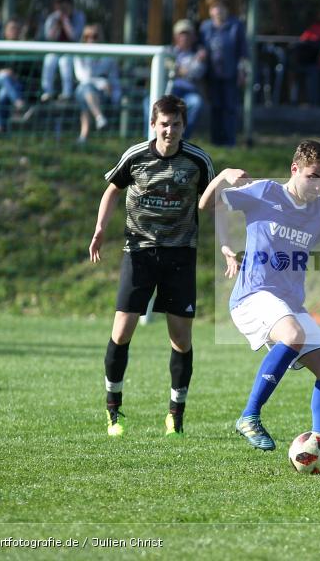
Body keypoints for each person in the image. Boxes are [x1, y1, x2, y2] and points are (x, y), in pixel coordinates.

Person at [199, 140, 320, 475]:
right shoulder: (265, 192)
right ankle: (249, 416)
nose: (319, 185)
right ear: (294, 169)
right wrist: (223, 175)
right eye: (313, 176)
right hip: (252, 296)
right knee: (292, 334)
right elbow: (207, 204)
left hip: (289, 303)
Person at [89, 94, 217, 438]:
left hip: (180, 254)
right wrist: (100, 229)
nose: (170, 131)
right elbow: (112, 189)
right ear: (153, 125)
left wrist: (228, 246)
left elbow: (212, 203)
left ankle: (176, 413)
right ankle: (113, 410)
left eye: (176, 125)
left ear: (183, 126)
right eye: (164, 124)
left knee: (180, 339)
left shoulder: (197, 160)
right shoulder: (136, 156)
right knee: (122, 330)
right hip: (139, 251)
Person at [144, 19, 206, 140]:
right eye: (181, 34)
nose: (184, 38)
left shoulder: (199, 54)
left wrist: (178, 69)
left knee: (196, 102)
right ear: (176, 36)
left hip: (187, 93)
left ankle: (182, 139)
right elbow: (162, 69)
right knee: (148, 102)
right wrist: (184, 69)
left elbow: (197, 72)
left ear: (193, 37)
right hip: (167, 92)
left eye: (187, 34)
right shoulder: (167, 51)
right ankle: (152, 138)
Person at [199, 0, 247, 146]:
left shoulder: (236, 26)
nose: (217, 10)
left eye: (220, 7)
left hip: (231, 74)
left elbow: (243, 52)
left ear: (226, 8)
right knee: (216, 108)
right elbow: (200, 47)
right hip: (212, 75)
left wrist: (242, 71)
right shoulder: (205, 27)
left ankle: (229, 141)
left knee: (230, 108)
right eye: (214, 7)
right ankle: (216, 141)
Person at [73, 23, 121, 144]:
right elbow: (82, 76)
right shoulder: (79, 53)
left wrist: (115, 96)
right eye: (87, 36)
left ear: (100, 37)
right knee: (86, 89)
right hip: (85, 88)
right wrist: (101, 82)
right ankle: (99, 117)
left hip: (103, 93)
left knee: (86, 94)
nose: (90, 39)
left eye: (94, 36)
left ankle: (84, 136)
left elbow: (114, 78)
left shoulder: (109, 56)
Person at [0, 18, 29, 134]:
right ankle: (18, 102)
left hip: (13, 86)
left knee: (4, 92)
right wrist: (0, 72)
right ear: (5, 30)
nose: (15, 31)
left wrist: (15, 76)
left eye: (17, 29)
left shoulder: (25, 49)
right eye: (12, 28)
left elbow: (30, 74)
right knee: (4, 77)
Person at [40, 0, 85, 102]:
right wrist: (57, 24)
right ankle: (47, 92)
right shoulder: (52, 18)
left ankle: (67, 93)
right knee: (49, 60)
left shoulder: (79, 16)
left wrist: (65, 21)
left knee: (65, 62)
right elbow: (49, 37)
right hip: (55, 50)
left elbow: (74, 36)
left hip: (71, 50)